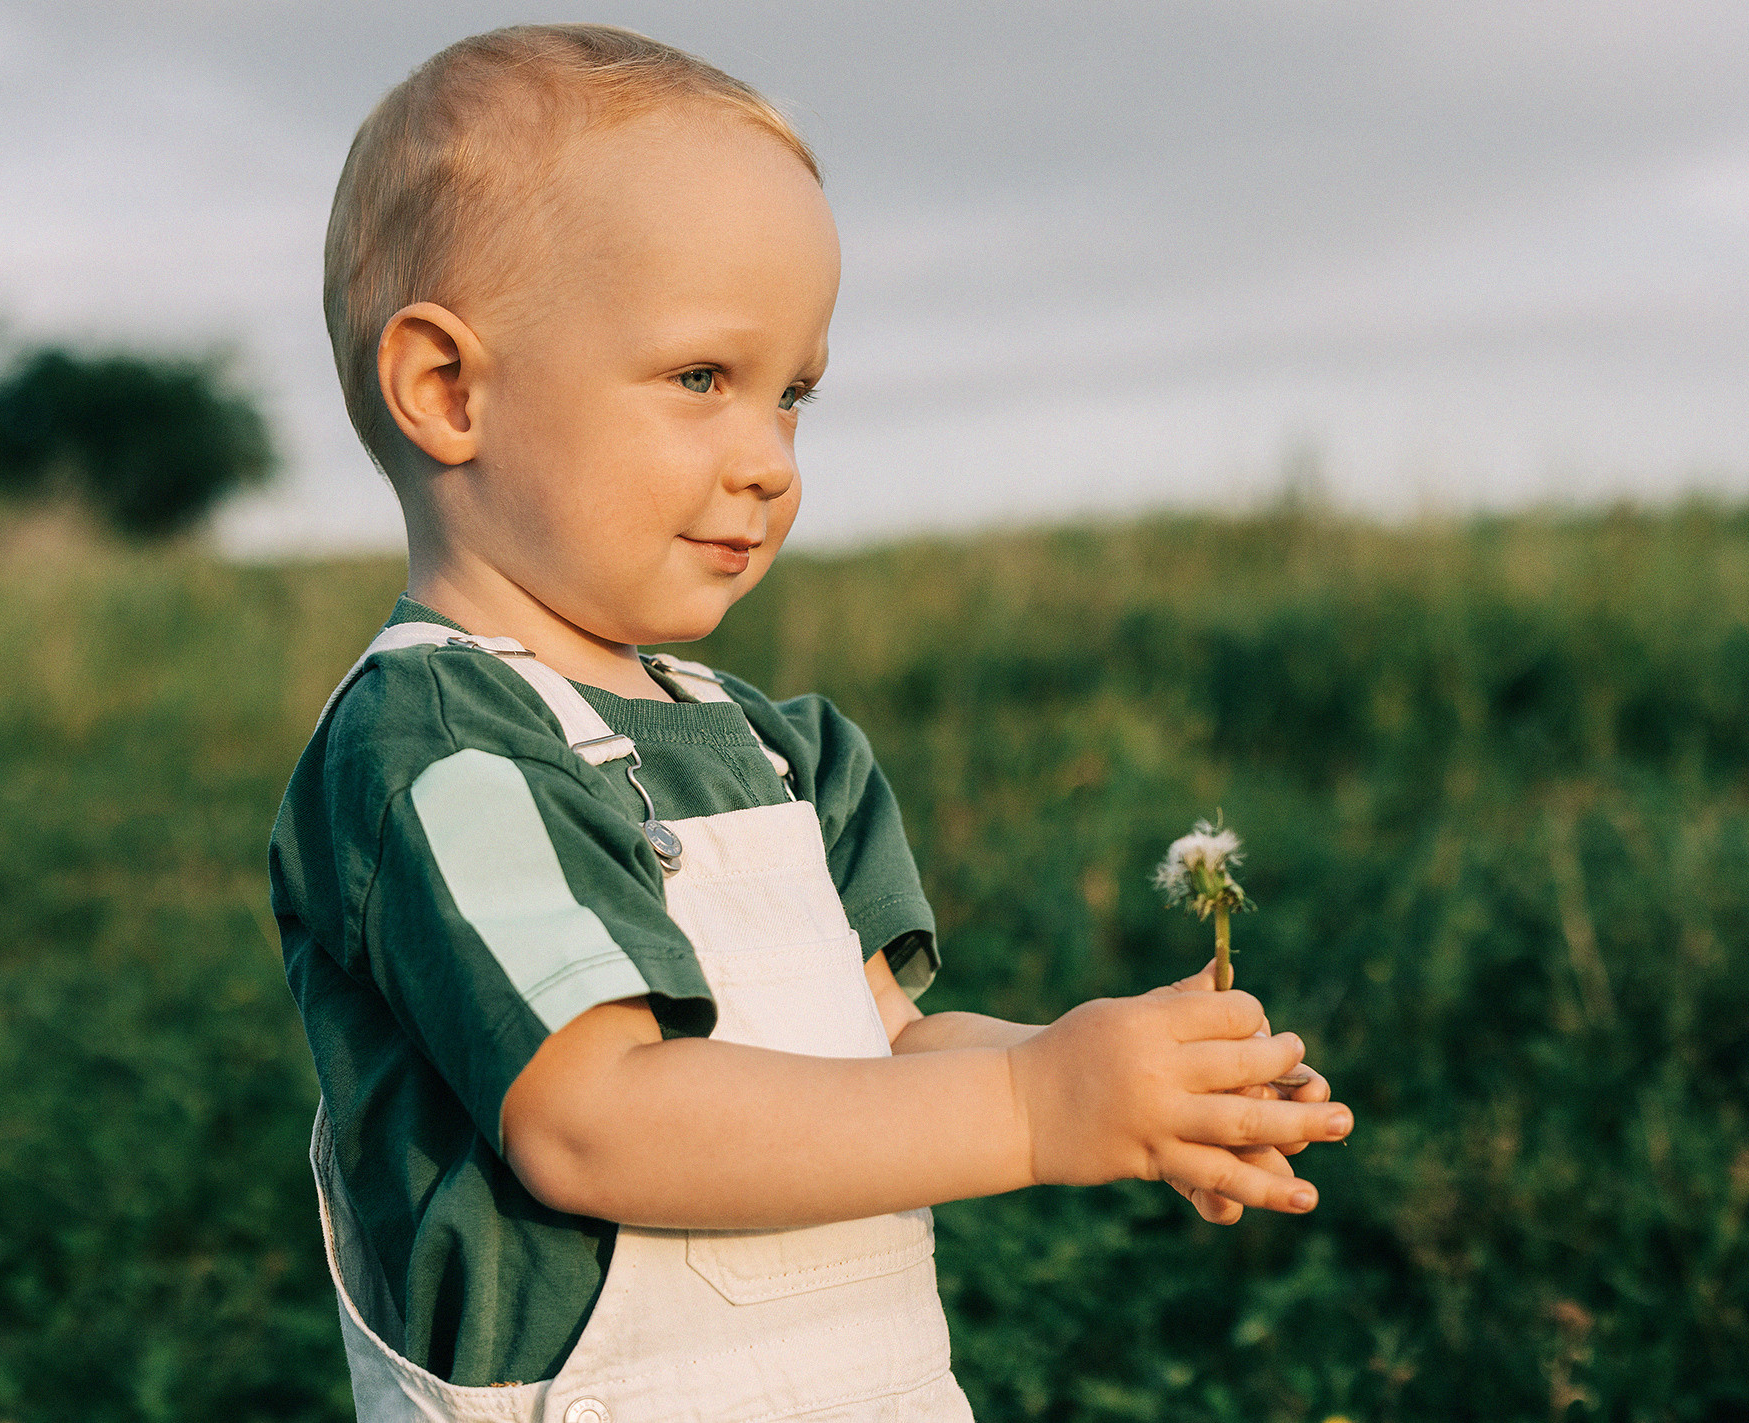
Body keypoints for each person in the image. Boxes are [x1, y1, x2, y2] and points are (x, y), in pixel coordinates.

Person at [269, 23, 1353, 1422]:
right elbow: (594, 1119)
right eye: (702, 380)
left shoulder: (772, 746)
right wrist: (1030, 1110)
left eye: (795, 396)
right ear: (449, 390)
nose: (771, 461)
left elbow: (885, 1049)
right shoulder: (441, 747)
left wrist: (1119, 1081)